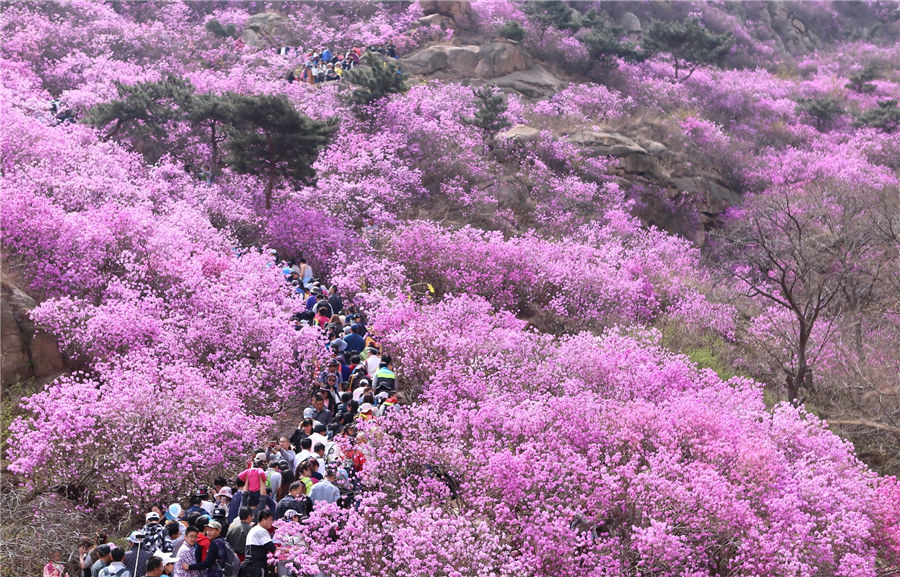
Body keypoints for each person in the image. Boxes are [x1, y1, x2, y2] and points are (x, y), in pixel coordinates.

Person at [243, 511, 276, 577]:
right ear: (263, 520)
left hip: (251, 566)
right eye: (270, 520)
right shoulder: (261, 531)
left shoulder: (254, 529)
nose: (272, 522)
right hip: (256, 567)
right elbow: (273, 549)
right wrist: (292, 550)